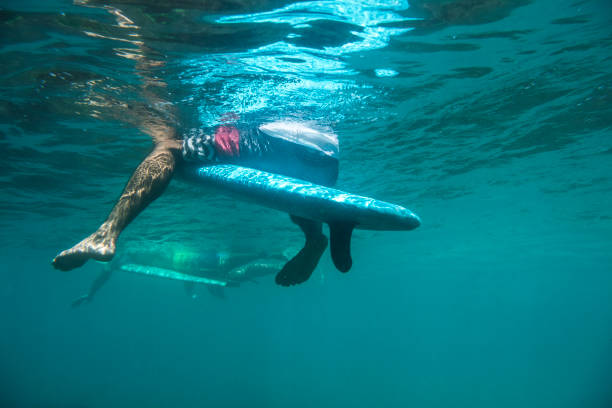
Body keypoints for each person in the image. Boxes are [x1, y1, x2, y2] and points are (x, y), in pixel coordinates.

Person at [51, 4, 352, 286]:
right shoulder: (281, 33)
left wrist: (228, 124)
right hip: (327, 155)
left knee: (169, 145)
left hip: (275, 140)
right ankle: (317, 234)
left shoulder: (201, 42)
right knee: (295, 193)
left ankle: (107, 233)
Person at [71, 246, 287, 307]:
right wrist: (90, 294)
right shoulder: (120, 256)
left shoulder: (123, 254)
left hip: (196, 261)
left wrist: (91, 293)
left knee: (234, 267)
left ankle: (278, 260)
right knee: (236, 270)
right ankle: (280, 262)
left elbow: (177, 271)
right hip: (195, 262)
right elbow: (178, 272)